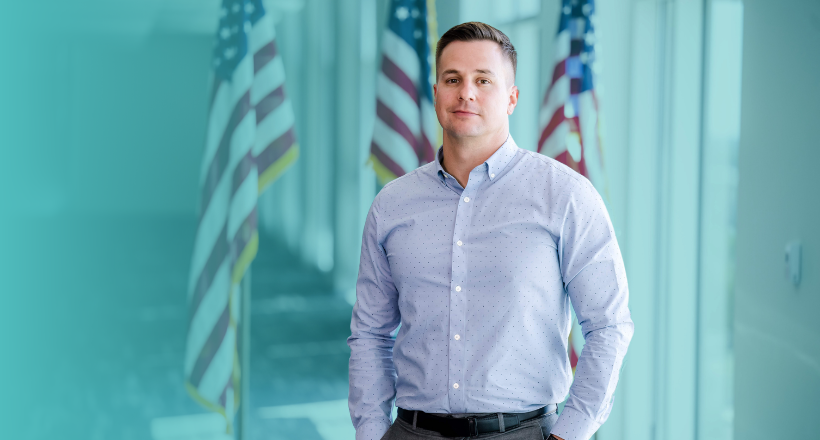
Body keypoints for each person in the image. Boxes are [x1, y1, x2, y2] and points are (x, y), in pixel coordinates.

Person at [347, 22, 633, 440]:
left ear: (512, 97)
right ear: (436, 93)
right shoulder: (391, 206)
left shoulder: (566, 196)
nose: (466, 92)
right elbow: (371, 333)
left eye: (483, 80)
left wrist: (570, 433)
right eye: (453, 79)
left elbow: (609, 325)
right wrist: (371, 433)